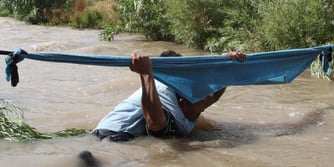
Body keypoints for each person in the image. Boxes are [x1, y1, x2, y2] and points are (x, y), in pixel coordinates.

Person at [93, 50, 246, 142]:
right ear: (182, 102)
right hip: (112, 136)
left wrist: (227, 65)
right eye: (201, 103)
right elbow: (154, 122)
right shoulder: (170, 106)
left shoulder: (189, 106)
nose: (204, 107)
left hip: (115, 136)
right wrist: (146, 74)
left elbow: (214, 96)